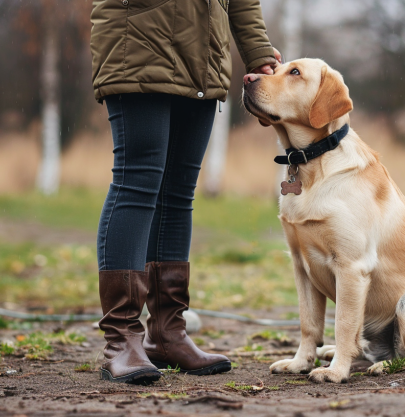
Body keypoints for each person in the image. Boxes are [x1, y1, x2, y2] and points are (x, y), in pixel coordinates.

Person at [90, 0, 280, 384]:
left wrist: (257, 52)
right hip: (139, 42)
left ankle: (167, 332)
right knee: (137, 181)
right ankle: (121, 340)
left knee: (179, 192)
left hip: (202, 54)